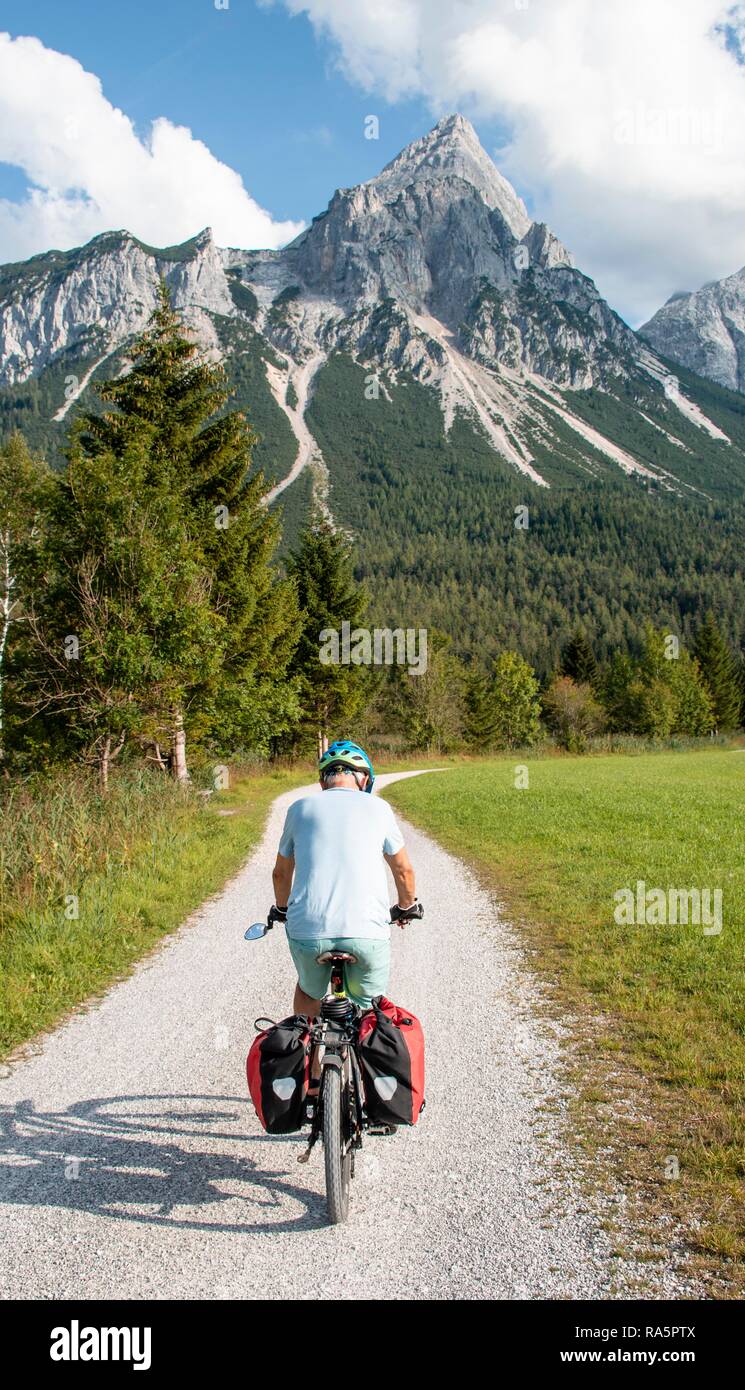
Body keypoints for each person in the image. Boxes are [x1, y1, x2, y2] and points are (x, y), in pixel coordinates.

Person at [269, 741, 423, 1037]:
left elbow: (280, 873)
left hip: (309, 931)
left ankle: (307, 1063)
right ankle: (367, 1065)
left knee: (308, 993)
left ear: (322, 780)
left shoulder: (299, 808)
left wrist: (282, 909)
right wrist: (406, 906)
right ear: (364, 778)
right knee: (369, 1007)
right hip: (366, 932)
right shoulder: (379, 808)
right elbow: (403, 871)